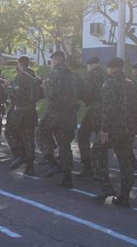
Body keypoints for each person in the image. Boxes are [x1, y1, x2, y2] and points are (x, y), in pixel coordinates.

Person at [92, 58, 137, 207]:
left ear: (111, 69)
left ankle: (106, 187)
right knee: (125, 162)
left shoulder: (109, 83)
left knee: (97, 152)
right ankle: (124, 197)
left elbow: (107, 108)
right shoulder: (131, 85)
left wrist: (104, 129)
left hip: (113, 128)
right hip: (129, 129)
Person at [38, 51, 78, 188]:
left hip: (55, 113)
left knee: (41, 133)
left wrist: (45, 87)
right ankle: (67, 178)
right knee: (65, 146)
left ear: (56, 60)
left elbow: (52, 94)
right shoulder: (73, 75)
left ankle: (52, 162)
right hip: (69, 114)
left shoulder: (54, 73)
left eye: (52, 61)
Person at [6, 56, 42, 175]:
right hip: (31, 111)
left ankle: (19, 155)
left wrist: (8, 88)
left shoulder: (21, 77)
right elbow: (41, 94)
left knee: (11, 133)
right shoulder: (35, 77)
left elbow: (14, 94)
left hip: (20, 112)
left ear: (20, 64)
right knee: (29, 138)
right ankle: (30, 165)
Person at [77, 57, 106, 179]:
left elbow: (85, 93)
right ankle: (101, 169)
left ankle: (87, 166)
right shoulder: (106, 75)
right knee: (102, 140)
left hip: (94, 109)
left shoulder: (90, 77)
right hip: (107, 112)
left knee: (83, 135)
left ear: (91, 65)